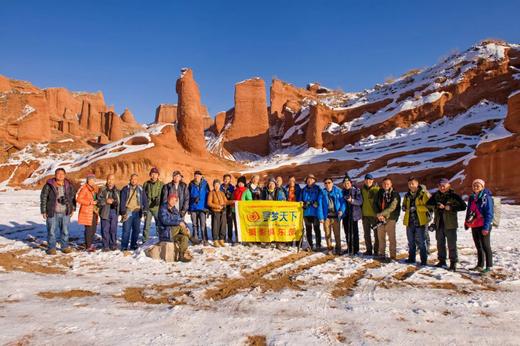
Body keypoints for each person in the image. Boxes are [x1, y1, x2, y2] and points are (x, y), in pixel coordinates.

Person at [427, 178, 466, 271]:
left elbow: (463, 206)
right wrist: (436, 205)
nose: (442, 187)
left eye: (444, 185)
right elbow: (428, 204)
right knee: (440, 243)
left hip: (450, 224)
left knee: (451, 244)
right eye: (440, 185)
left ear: (448, 185)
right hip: (439, 223)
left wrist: (450, 207)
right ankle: (442, 261)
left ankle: (453, 263)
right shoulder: (436, 195)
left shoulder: (454, 196)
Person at [40, 168, 76, 255]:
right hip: (52, 212)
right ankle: (51, 248)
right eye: (58, 173)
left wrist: (72, 208)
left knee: (65, 231)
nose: (60, 175)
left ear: (65, 175)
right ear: (55, 175)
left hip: (65, 212)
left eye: (62, 174)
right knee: (52, 231)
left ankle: (64, 247)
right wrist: (43, 211)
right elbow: (43, 198)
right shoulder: (49, 185)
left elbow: (73, 198)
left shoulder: (69, 185)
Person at [465, 179, 494, 274]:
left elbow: (489, 213)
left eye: (478, 185)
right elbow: (469, 211)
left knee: (486, 246)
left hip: (484, 225)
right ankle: (480, 265)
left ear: (482, 187)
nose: (476, 187)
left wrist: (486, 227)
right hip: (475, 224)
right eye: (474, 185)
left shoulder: (486, 197)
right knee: (479, 246)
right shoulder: (472, 197)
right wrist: (466, 222)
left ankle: (489, 267)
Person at [402, 177, 430, 266]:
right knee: (411, 242)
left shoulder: (423, 194)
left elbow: (429, 207)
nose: (411, 185)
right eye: (409, 184)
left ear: (417, 184)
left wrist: (417, 208)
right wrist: (403, 207)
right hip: (410, 222)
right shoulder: (407, 195)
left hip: (420, 222)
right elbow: (404, 204)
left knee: (422, 242)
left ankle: (424, 260)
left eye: (412, 183)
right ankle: (411, 258)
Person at [158, 193, 191, 262]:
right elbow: (165, 221)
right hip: (165, 233)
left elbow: (181, 220)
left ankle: (181, 256)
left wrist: (187, 227)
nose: (173, 202)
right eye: (172, 200)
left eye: (175, 200)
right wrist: (178, 223)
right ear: (168, 199)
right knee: (180, 226)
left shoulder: (175, 210)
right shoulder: (163, 208)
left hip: (173, 233)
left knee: (184, 238)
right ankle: (192, 237)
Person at [120, 174, 148, 251]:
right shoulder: (126, 189)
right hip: (128, 211)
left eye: (135, 179)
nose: (133, 180)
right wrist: (122, 211)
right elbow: (122, 200)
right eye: (132, 179)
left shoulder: (140, 189)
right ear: (130, 179)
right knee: (126, 230)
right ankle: (124, 246)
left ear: (137, 180)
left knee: (136, 230)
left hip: (137, 211)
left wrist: (145, 210)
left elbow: (145, 200)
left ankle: (133, 245)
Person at [374, 177, 401, 260]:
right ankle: (381, 254)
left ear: (391, 184)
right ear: (382, 185)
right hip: (380, 219)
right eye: (384, 184)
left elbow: (392, 207)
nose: (386, 185)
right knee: (381, 237)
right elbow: (374, 204)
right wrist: (379, 215)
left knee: (391, 238)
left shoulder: (395, 194)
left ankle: (393, 255)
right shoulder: (379, 193)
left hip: (391, 218)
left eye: (388, 184)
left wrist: (381, 214)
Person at [301, 174, 325, 251]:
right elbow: (300, 200)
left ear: (314, 181)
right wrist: (303, 204)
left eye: (311, 179)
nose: (310, 180)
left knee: (316, 229)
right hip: (306, 213)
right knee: (308, 230)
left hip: (315, 213)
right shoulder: (303, 190)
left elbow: (321, 198)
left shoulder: (318, 189)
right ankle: (310, 245)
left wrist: (317, 203)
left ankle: (318, 245)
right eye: (308, 179)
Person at [76, 174, 99, 252]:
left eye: (93, 180)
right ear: (88, 180)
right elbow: (79, 199)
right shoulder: (85, 188)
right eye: (91, 180)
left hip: (93, 211)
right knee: (89, 229)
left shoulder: (92, 189)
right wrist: (90, 202)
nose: (92, 181)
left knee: (93, 229)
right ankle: (88, 246)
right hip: (87, 211)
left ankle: (90, 244)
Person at [321, 178, 345, 255]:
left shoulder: (338, 191)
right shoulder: (322, 192)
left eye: (329, 182)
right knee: (327, 234)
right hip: (326, 217)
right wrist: (321, 217)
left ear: (332, 183)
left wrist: (341, 210)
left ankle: (338, 248)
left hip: (336, 217)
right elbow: (320, 206)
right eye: (326, 183)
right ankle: (329, 248)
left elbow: (343, 203)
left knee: (337, 234)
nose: (327, 184)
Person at [341, 176, 363, 255]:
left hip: (354, 214)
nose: (346, 185)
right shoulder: (342, 191)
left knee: (354, 232)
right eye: (345, 183)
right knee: (347, 232)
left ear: (350, 183)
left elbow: (360, 201)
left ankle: (355, 249)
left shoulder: (356, 190)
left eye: (348, 183)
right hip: (345, 215)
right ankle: (349, 247)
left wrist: (352, 200)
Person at [97, 174, 119, 251]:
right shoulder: (102, 189)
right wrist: (105, 201)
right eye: (109, 179)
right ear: (107, 180)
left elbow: (119, 201)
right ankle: (105, 245)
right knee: (105, 229)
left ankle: (113, 244)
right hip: (105, 211)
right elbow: (98, 201)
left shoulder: (117, 190)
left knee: (113, 229)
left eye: (112, 179)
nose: (110, 181)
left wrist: (115, 202)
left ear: (114, 180)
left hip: (114, 212)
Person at [208, 179, 233, 247]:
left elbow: (226, 201)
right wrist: (217, 206)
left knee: (223, 226)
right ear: (213, 185)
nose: (217, 186)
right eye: (215, 185)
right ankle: (215, 240)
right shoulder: (211, 193)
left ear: (219, 185)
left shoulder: (222, 193)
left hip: (223, 212)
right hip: (215, 212)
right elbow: (209, 203)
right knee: (215, 226)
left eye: (218, 185)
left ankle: (221, 239)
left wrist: (233, 202)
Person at [188, 170, 210, 245]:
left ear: (201, 176)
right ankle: (195, 239)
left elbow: (208, 196)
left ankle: (205, 239)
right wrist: (189, 207)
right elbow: (188, 196)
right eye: (196, 175)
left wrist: (207, 208)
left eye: (198, 175)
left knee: (203, 224)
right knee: (194, 224)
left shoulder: (205, 184)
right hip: (193, 207)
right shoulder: (191, 184)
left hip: (202, 208)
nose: (197, 177)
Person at [142, 167, 164, 242]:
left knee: (159, 225)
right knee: (146, 225)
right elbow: (143, 195)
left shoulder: (161, 184)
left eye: (156, 174)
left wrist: (159, 201)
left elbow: (164, 196)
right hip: (148, 208)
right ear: (150, 175)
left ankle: (160, 239)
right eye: (152, 174)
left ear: (158, 175)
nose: (154, 176)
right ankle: (145, 241)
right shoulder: (146, 184)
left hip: (157, 208)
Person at [361, 173, 380, 256]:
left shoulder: (377, 190)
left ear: (373, 180)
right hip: (365, 216)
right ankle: (369, 250)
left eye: (370, 179)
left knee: (377, 234)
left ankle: (376, 251)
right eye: (366, 179)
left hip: (375, 216)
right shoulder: (362, 190)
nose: (368, 181)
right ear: (364, 181)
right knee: (366, 234)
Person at [231, 176, 248, 245]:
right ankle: (237, 239)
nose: (240, 184)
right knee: (236, 224)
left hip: (243, 211)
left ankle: (244, 239)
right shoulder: (235, 191)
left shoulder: (247, 191)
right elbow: (232, 199)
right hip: (235, 211)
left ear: (244, 183)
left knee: (243, 225)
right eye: (239, 183)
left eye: (242, 183)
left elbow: (249, 201)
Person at [221, 174, 236, 244]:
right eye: (225, 179)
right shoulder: (220, 187)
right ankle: (223, 237)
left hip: (230, 207)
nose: (226, 180)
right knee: (223, 223)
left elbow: (234, 197)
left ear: (230, 180)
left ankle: (230, 237)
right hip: (222, 207)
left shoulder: (232, 188)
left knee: (230, 223)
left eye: (228, 179)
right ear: (223, 179)